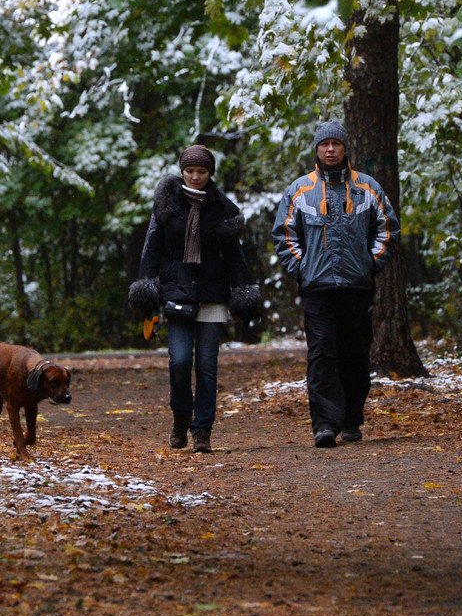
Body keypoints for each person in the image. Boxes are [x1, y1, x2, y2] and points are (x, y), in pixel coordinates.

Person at [272, 121, 399, 448]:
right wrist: (301, 269)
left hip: (357, 288)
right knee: (321, 356)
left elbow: (387, 230)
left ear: (345, 148)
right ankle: (325, 425)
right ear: (316, 149)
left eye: (336, 144)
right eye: (324, 144)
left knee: (355, 355)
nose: (330, 149)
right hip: (317, 289)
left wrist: (371, 263)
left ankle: (352, 420)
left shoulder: (368, 188)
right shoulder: (300, 190)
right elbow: (284, 235)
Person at [127, 145, 259, 453]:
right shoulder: (166, 206)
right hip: (177, 293)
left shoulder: (223, 210)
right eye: (190, 171)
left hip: (213, 294)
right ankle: (180, 417)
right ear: (182, 171)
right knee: (180, 362)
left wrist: (243, 292)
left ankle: (202, 431)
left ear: (210, 173)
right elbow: (152, 250)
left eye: (201, 171)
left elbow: (234, 257)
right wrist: (147, 289)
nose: (196, 176)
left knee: (207, 366)